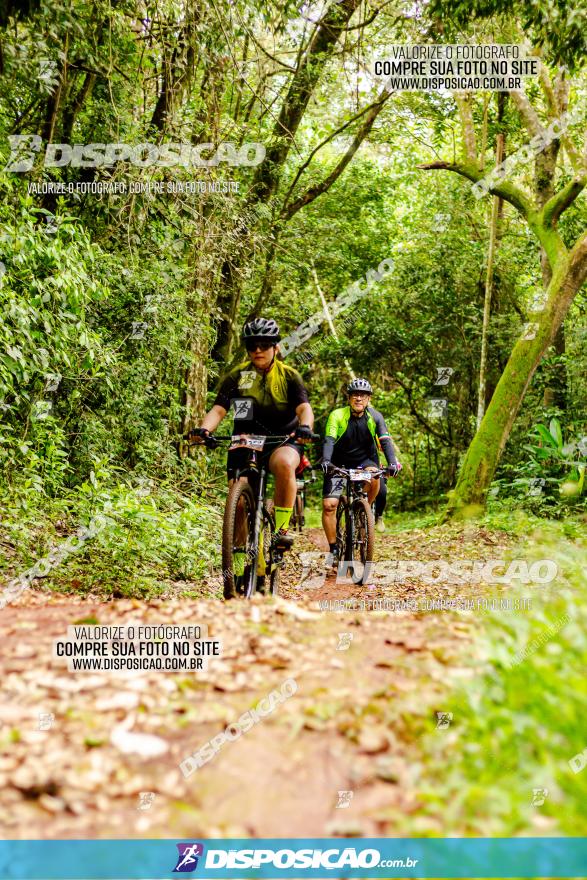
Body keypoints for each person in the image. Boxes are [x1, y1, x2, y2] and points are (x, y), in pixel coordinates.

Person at [190, 318, 315, 595]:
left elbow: (304, 408)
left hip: (283, 439)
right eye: (252, 346)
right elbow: (219, 409)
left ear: (275, 347)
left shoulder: (289, 376)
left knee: (283, 463)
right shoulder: (237, 376)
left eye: (264, 345)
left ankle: (281, 531)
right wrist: (203, 429)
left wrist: (306, 428)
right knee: (240, 501)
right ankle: (240, 566)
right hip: (246, 440)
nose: (258, 350)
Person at [321, 378, 401, 567]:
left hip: (365, 461)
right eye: (355, 395)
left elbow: (386, 440)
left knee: (375, 478)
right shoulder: (338, 415)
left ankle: (364, 512)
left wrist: (392, 463)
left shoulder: (375, 417)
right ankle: (333, 549)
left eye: (363, 395)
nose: (359, 398)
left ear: (368, 398)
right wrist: (326, 460)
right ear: (348, 398)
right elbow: (329, 440)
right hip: (338, 463)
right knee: (330, 505)